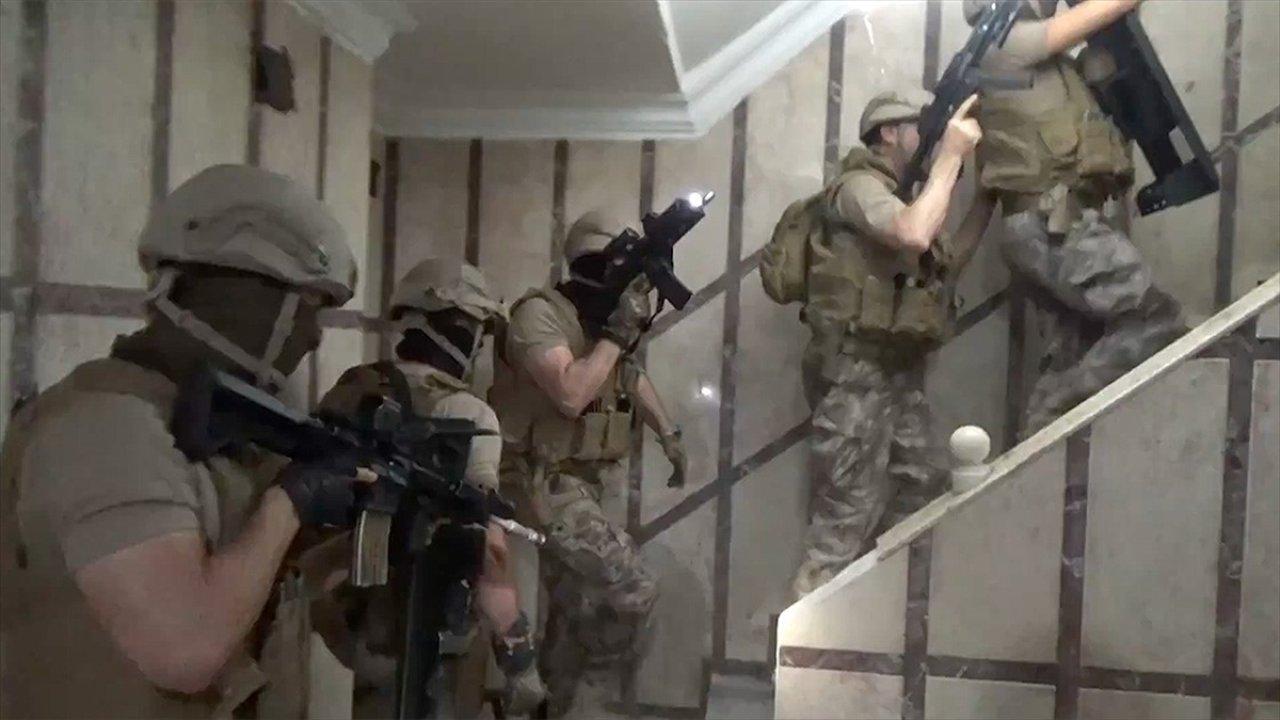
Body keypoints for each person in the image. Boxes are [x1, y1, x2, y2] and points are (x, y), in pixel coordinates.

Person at [0, 164, 365, 717]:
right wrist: (292, 500)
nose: (313, 337)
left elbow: (252, 588)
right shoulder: (103, 427)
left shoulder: (204, 421)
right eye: (307, 307)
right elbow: (185, 651)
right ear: (237, 295)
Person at [315, 258, 546, 717]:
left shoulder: (354, 389)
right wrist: (519, 658)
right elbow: (488, 552)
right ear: (463, 331)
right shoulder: (469, 414)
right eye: (478, 333)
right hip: (432, 628)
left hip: (353, 624)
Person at [489, 212, 687, 717]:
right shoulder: (538, 316)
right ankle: (595, 702)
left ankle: (553, 708)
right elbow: (571, 394)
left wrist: (668, 433)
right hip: (541, 479)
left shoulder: (596, 324)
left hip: (582, 482)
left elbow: (628, 374)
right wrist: (618, 332)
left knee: (574, 611)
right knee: (634, 588)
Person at [791, 91, 989, 598]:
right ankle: (805, 636)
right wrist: (950, 157)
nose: (928, 136)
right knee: (844, 520)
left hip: (897, 376)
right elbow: (914, 233)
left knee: (921, 493)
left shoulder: (898, 197)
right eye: (918, 127)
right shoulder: (858, 187)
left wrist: (989, 196)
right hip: (854, 378)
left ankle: (877, 618)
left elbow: (945, 263)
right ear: (888, 133)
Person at [962, 0, 1185, 435]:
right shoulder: (1004, 40)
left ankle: (1038, 442)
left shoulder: (1030, 63)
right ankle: (1056, 412)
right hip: (1052, 224)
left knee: (1077, 345)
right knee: (1155, 317)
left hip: (1047, 223)